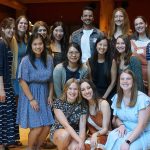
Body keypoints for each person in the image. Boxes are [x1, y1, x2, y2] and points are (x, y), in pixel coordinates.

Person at [16, 33, 54, 150]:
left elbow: (51, 80)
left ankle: (36, 148)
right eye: (35, 44)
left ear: (44, 44)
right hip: (30, 94)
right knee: (37, 127)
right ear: (31, 46)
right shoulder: (26, 60)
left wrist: (50, 95)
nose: (38, 46)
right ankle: (30, 148)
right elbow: (22, 81)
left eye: (40, 44)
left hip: (44, 94)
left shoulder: (49, 59)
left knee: (47, 126)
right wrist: (32, 99)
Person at [105, 69, 150, 150]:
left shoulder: (142, 99)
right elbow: (115, 119)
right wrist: (121, 125)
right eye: (122, 79)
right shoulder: (117, 97)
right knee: (112, 136)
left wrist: (127, 141)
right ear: (119, 82)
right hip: (126, 129)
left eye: (128, 79)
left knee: (130, 147)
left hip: (143, 132)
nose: (125, 81)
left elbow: (141, 125)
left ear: (133, 82)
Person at [50, 78, 87, 150]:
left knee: (76, 148)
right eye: (70, 88)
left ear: (79, 91)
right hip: (59, 132)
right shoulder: (58, 103)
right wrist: (80, 141)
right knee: (65, 135)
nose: (72, 91)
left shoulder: (82, 105)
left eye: (75, 89)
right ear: (66, 89)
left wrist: (81, 142)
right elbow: (66, 126)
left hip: (75, 133)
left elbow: (82, 128)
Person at [0, 17, 19, 150]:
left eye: (13, 28)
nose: (11, 31)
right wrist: (1, 89)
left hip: (8, 84)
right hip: (3, 85)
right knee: (2, 117)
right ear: (2, 29)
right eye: (9, 28)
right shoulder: (1, 44)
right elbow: (0, 68)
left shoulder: (8, 43)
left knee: (7, 115)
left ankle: (5, 144)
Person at [80, 79, 111, 149]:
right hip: (91, 136)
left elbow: (105, 129)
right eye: (83, 90)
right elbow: (82, 129)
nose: (87, 91)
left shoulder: (103, 104)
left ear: (93, 88)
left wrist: (95, 135)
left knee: (94, 146)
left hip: (106, 135)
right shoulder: (84, 107)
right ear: (80, 93)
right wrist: (81, 143)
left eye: (88, 88)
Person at [87, 36, 117, 103]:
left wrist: (103, 98)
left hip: (109, 92)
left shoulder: (112, 61)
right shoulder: (89, 61)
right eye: (100, 44)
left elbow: (113, 82)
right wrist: (96, 95)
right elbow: (90, 80)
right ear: (96, 46)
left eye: (105, 45)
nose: (102, 47)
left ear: (108, 47)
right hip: (95, 92)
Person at [11, 15, 29, 100]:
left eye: (25, 23)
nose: (23, 25)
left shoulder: (26, 38)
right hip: (15, 69)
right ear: (17, 24)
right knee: (16, 96)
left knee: (23, 95)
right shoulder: (12, 38)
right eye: (21, 23)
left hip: (24, 69)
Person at [130, 16, 150, 93]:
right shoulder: (132, 43)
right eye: (136, 24)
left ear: (146, 24)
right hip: (136, 80)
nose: (139, 26)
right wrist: (139, 79)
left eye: (141, 23)